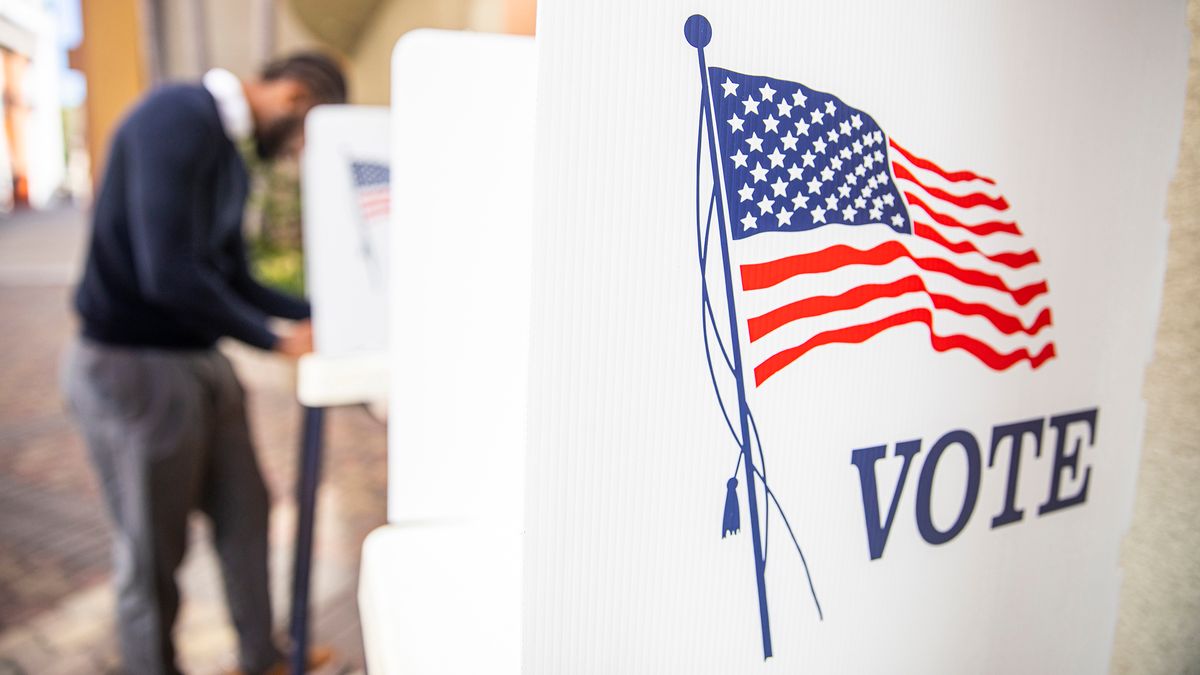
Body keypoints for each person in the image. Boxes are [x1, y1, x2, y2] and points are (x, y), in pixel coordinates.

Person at [62, 53, 347, 675]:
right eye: (305, 133)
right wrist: (273, 342)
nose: (298, 149)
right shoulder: (177, 116)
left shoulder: (226, 147)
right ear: (295, 97)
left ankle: (262, 658)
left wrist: (322, 313)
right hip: (137, 365)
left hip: (201, 360)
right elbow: (168, 275)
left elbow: (231, 274)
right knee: (152, 553)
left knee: (247, 512)